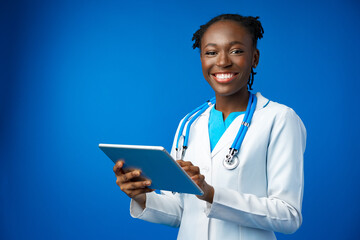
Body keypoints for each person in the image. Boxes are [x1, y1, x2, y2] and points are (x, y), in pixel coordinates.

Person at [113, 13, 306, 240]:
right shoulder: (189, 124)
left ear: (254, 58)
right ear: (202, 59)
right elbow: (182, 212)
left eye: (236, 51)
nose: (222, 62)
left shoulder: (279, 119)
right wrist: (140, 196)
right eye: (211, 52)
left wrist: (211, 194)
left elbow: (288, 215)